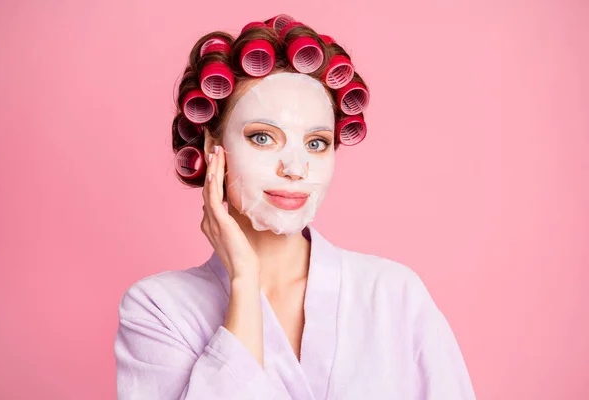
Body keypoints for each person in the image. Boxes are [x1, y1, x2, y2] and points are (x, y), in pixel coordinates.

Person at [114, 14, 476, 400]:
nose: (294, 168)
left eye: (316, 143)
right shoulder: (159, 309)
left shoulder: (393, 294)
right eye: (263, 137)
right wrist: (244, 280)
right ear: (210, 147)